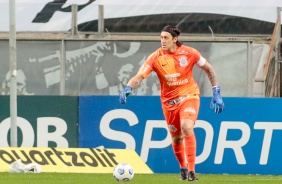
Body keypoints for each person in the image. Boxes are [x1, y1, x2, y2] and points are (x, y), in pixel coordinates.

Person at [119, 25, 224, 181]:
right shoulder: (155, 58)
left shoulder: (190, 53)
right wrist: (128, 87)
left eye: (166, 38)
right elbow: (139, 77)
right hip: (169, 103)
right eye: (161, 37)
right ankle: (182, 167)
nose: (163, 41)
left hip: (189, 95)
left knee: (186, 126)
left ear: (175, 39)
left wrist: (216, 91)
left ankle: (192, 171)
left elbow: (209, 68)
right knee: (176, 138)